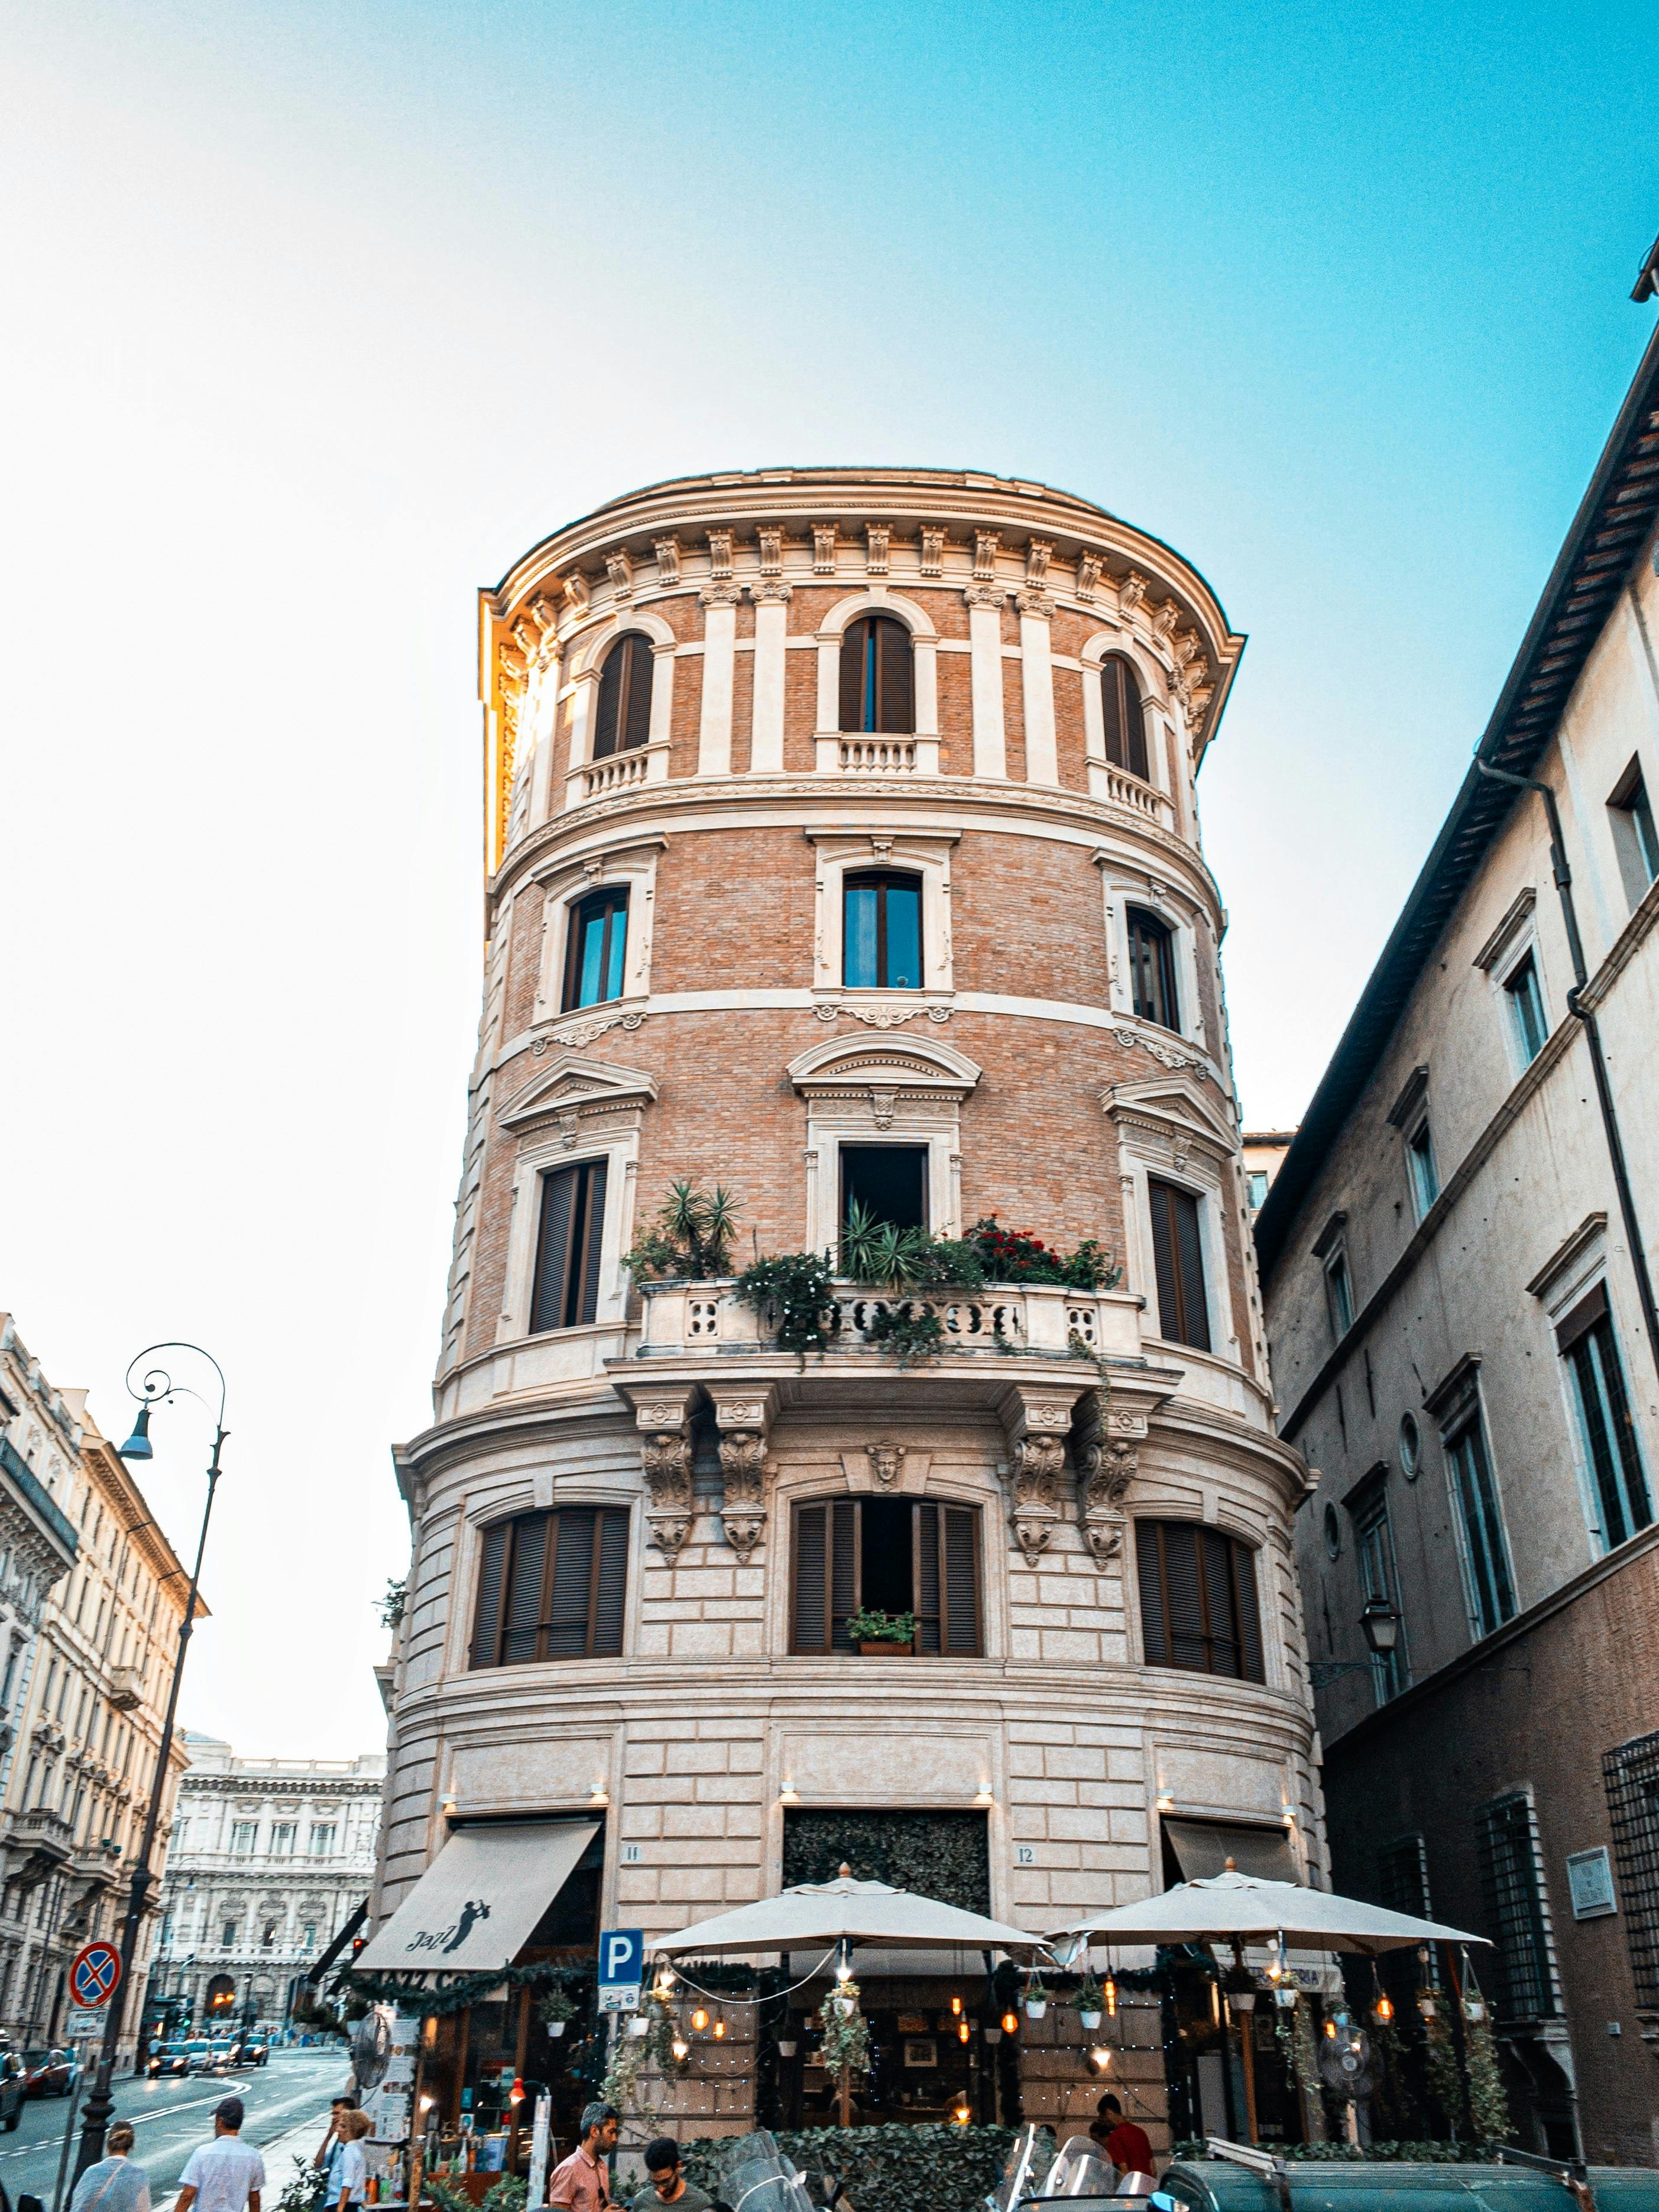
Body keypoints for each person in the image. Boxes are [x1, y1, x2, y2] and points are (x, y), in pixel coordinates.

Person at [175, 2097, 267, 2212]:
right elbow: (254, 2199)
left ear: (220, 2122)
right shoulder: (253, 2156)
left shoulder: (202, 2154)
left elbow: (187, 2195)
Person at [547, 2103, 618, 2212]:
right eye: (611, 2132)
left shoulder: (601, 2166)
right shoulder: (569, 2169)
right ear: (594, 2131)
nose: (614, 2139)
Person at [70, 2122, 150, 2212]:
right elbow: (143, 2209)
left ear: (108, 2144)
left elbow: (78, 2204)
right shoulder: (138, 2174)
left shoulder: (91, 2172)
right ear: (131, 2146)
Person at [629, 2140, 714, 2212]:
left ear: (678, 2166)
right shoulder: (642, 2201)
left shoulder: (701, 2203)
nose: (660, 2189)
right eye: (655, 2183)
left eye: (666, 2182)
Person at [1094, 2096, 1153, 2182]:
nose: (1104, 2122)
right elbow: (1153, 2169)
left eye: (1103, 2118)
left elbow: (1124, 2172)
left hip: (1133, 2190)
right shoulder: (1140, 2132)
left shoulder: (1116, 2137)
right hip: (1148, 2188)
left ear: (1108, 2112)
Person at [313, 2097, 357, 2207]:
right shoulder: (338, 2143)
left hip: (345, 2202)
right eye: (333, 2114)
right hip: (333, 2200)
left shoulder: (353, 2144)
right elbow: (318, 2164)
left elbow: (348, 2180)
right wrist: (328, 2137)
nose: (334, 2118)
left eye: (338, 2114)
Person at [332, 2109, 374, 2212]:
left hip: (346, 2206)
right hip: (352, 2206)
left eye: (343, 2126)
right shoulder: (357, 2148)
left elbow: (348, 2182)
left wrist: (340, 2209)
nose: (338, 2129)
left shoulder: (349, 2151)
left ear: (351, 2130)